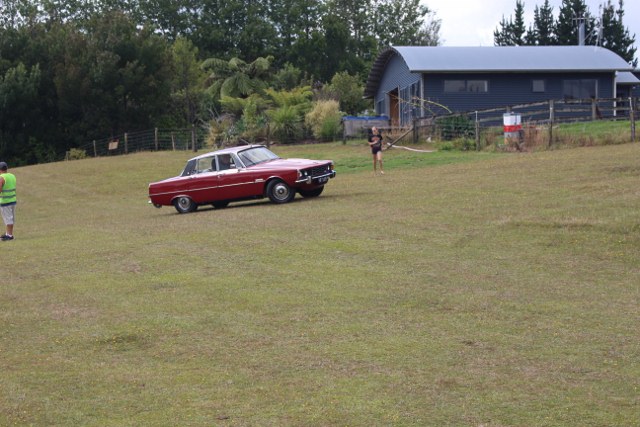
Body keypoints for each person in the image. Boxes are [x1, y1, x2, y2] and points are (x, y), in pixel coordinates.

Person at [0, 161, 16, 241]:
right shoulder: (12, 176)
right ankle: (8, 233)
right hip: (12, 200)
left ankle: (9, 235)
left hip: (5, 201)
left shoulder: (1, 177)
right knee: (11, 218)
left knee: (8, 219)